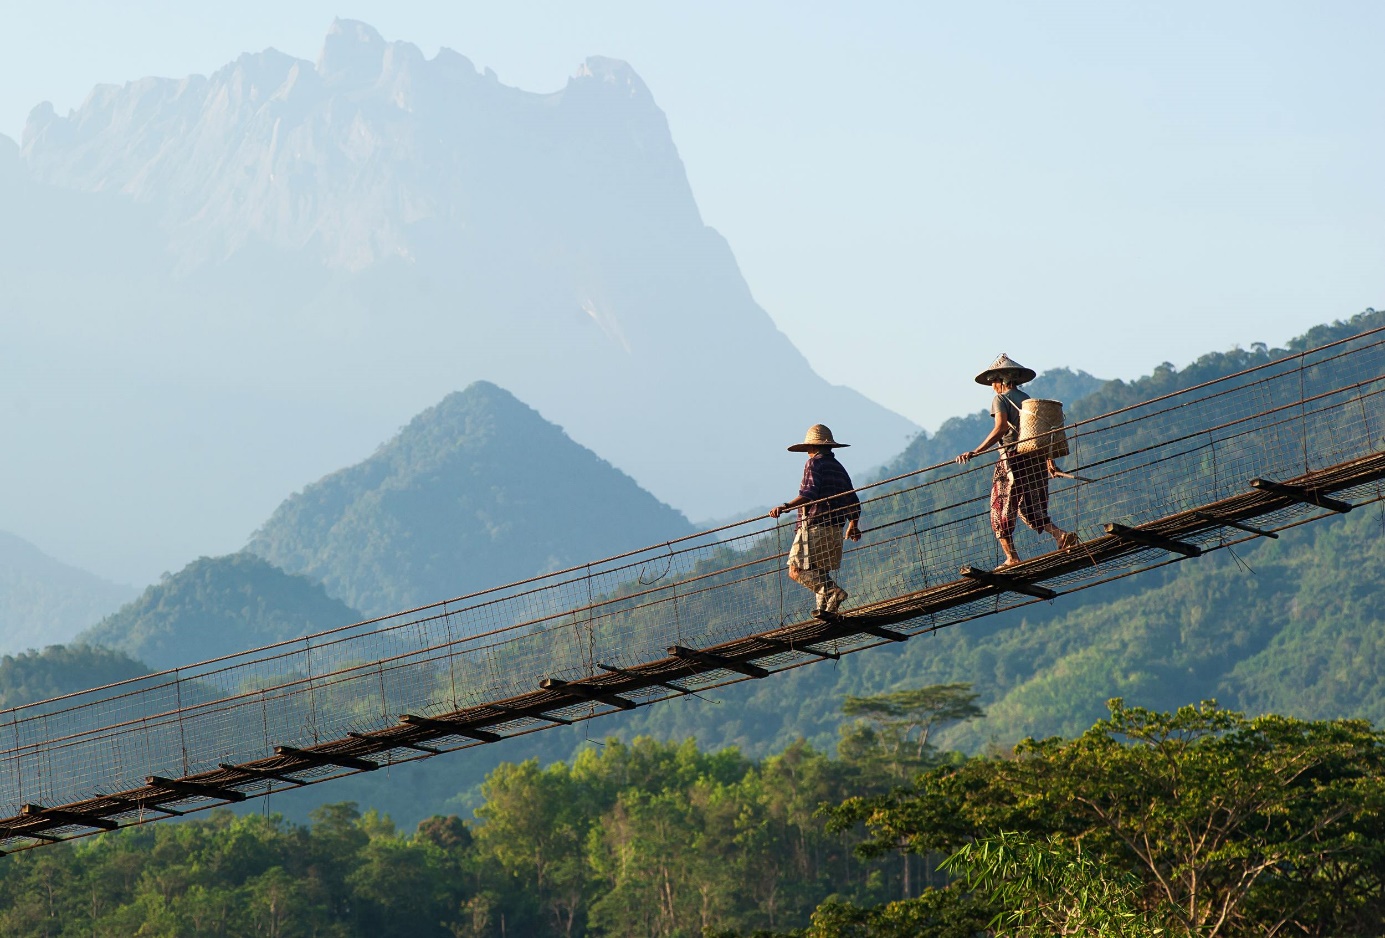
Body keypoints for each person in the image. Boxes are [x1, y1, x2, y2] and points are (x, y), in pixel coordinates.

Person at [955, 353, 1077, 567]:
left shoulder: (1000, 399)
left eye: (993, 381)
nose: (992, 386)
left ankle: (1012, 557)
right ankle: (1060, 535)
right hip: (1034, 458)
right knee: (1031, 506)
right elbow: (1037, 431)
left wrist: (976, 451)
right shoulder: (1026, 399)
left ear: (1000, 380)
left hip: (1012, 459)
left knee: (1000, 508)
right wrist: (1049, 460)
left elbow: (1001, 428)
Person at [769, 424, 862, 616]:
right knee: (819, 571)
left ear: (812, 447)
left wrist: (785, 507)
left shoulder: (814, 464)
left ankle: (833, 593)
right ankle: (825, 610)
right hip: (835, 528)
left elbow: (808, 494)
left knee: (796, 570)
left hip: (815, 526)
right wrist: (853, 525)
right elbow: (853, 501)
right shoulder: (839, 468)